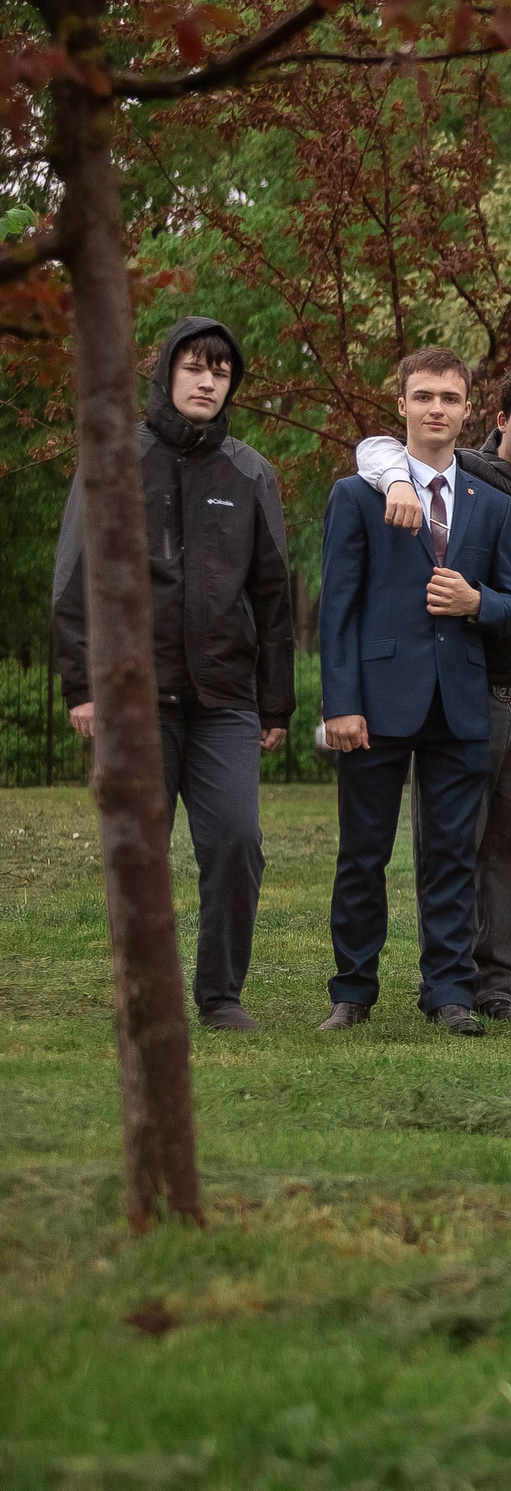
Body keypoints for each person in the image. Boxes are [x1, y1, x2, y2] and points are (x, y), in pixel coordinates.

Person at [52, 316, 294, 1032]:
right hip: (134, 697)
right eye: (195, 366)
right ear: (167, 374)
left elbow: (274, 596)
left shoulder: (251, 473)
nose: (208, 380)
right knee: (140, 853)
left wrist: (273, 703)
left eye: (221, 372)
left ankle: (220, 996)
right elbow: (75, 579)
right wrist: (81, 685)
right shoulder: (113, 459)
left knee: (236, 842)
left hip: (224, 701)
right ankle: (144, 993)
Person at [352, 362, 511, 1022]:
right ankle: (450, 980)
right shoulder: (470, 477)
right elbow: (380, 448)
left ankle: (499, 980)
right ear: (497, 421)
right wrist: (398, 476)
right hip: (465, 689)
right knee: (455, 846)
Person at [315, 347, 511, 1036]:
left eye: (449, 397)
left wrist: (476, 601)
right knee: (363, 853)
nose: (436, 408)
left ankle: (449, 992)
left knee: (450, 856)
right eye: (423, 396)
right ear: (402, 405)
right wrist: (340, 703)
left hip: (459, 703)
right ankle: (352, 990)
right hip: (375, 702)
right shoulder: (359, 494)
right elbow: (336, 610)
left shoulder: (492, 504)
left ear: (469, 409)